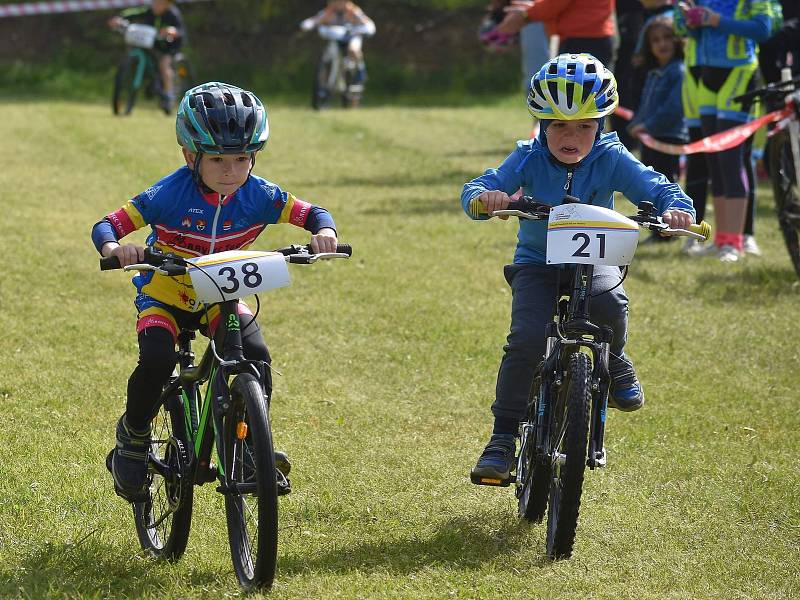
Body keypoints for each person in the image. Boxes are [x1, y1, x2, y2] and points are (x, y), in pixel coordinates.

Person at [92, 82, 339, 502]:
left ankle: (245, 446)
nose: (231, 170)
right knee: (156, 359)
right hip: (165, 297)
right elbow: (107, 225)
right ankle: (133, 436)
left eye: (242, 158)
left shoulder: (260, 194)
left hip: (220, 297)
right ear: (191, 156)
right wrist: (116, 248)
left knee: (256, 356)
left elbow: (313, 213)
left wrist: (325, 231)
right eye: (218, 159)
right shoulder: (170, 193)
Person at [461, 54, 695, 486]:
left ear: (601, 125)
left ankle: (617, 359)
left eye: (584, 127)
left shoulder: (612, 157)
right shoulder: (527, 158)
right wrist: (485, 199)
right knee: (526, 338)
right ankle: (502, 438)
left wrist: (677, 208)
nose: (571, 137)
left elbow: (657, 187)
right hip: (537, 265)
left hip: (595, 259)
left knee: (611, 305)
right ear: (541, 125)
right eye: (559, 127)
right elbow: (480, 187)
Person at [675, 0, 775, 262]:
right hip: (707, 75)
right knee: (715, 160)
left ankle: (736, 241)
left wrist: (716, 20)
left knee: (731, 159)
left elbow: (763, 30)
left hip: (740, 72)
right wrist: (691, 21)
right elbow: (698, 34)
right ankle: (722, 239)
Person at [628, 12, 688, 244]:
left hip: (668, 137)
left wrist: (647, 126)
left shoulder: (678, 71)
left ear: (677, 40)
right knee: (651, 185)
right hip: (650, 137)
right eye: (655, 40)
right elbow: (645, 105)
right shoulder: (653, 73)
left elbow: (673, 108)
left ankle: (668, 233)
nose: (661, 44)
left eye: (667, 37)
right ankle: (656, 230)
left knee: (666, 185)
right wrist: (636, 124)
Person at [108, 0, 186, 112]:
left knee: (164, 65)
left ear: (167, 5)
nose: (156, 6)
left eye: (159, 4)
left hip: (170, 45)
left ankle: (169, 95)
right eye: (155, 3)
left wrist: (173, 31)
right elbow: (134, 13)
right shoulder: (150, 11)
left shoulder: (173, 14)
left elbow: (181, 29)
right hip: (154, 43)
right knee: (149, 57)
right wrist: (119, 18)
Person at [494, 0, 616, 68]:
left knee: (573, 101)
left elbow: (553, 5)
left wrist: (527, 14)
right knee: (594, 100)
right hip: (599, 37)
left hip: (579, 42)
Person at [300, 1, 376, 85]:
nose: (338, 4)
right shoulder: (329, 11)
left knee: (353, 50)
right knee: (328, 52)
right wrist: (307, 24)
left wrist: (366, 29)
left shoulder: (353, 11)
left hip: (352, 36)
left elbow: (368, 23)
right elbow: (315, 19)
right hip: (337, 38)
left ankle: (360, 71)